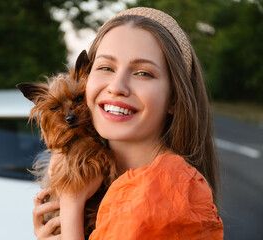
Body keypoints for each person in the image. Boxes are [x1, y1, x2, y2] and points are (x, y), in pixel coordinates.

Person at [33, 7, 224, 240]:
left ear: (174, 98)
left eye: (143, 73)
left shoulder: (168, 194)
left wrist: (71, 205)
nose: (117, 87)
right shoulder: (99, 178)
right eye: (105, 67)